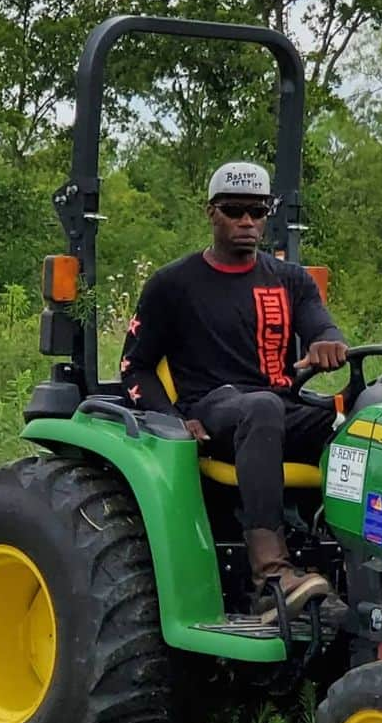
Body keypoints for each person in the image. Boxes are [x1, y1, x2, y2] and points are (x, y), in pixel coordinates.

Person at [120, 161, 348, 618]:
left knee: (366, 419)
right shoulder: (174, 284)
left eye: (257, 211)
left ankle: (358, 558)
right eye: (234, 210)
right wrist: (171, 419)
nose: (247, 221)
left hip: (278, 407)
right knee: (261, 408)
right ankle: (271, 575)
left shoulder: (290, 280)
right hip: (213, 407)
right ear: (211, 213)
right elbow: (135, 366)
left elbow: (321, 326)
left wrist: (327, 343)